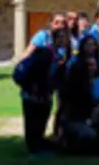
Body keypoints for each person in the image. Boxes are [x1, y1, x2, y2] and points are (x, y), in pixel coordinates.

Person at [14, 28, 68, 156]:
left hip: (44, 94)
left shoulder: (58, 54)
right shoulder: (45, 53)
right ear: (54, 39)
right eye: (60, 37)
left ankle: (39, 144)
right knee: (33, 121)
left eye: (64, 37)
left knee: (42, 120)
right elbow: (38, 74)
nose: (63, 40)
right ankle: (34, 149)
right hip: (34, 94)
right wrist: (39, 90)